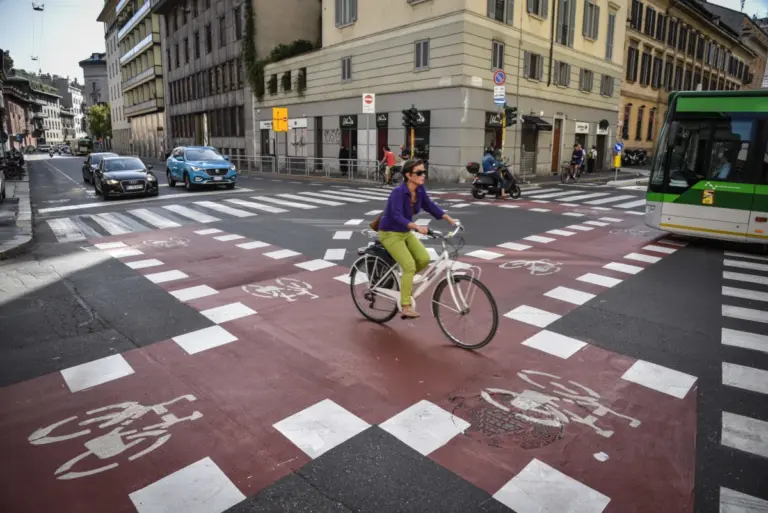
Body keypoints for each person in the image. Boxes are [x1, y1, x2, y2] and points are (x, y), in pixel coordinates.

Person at [377, 159, 457, 318]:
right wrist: (416, 227)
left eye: (424, 172)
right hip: (389, 232)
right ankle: (405, 305)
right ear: (408, 175)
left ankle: (402, 283)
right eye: (419, 172)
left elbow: (429, 205)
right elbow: (396, 215)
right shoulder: (398, 192)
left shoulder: (419, 190)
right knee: (409, 266)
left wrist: (447, 217)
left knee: (424, 259)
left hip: (405, 232)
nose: (423, 175)